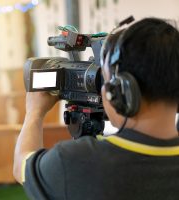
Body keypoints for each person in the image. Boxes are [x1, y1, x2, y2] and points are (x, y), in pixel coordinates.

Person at [13, 17, 179, 200]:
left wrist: (34, 113)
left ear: (121, 90)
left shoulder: (75, 161)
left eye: (105, 80)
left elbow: (22, 166)